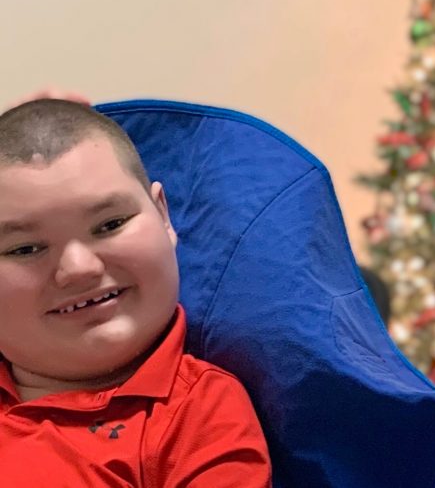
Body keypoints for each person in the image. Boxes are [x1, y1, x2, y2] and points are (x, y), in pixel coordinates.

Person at [0, 94, 272, 487]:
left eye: (110, 224)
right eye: (25, 248)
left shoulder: (201, 414)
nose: (79, 269)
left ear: (163, 216)